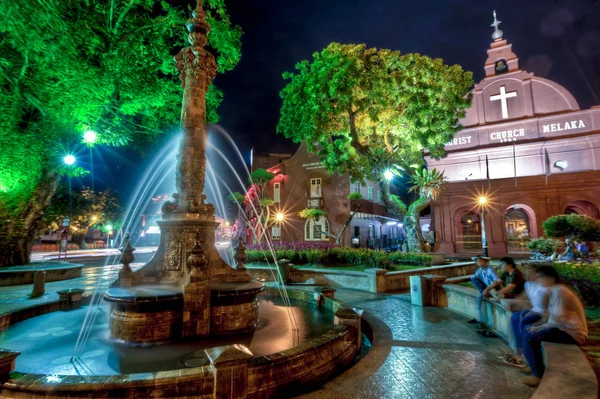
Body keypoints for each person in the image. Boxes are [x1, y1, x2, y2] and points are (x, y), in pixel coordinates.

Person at [521, 265, 588, 387]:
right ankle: (532, 365)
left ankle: (537, 375)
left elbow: (558, 317)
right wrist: (540, 325)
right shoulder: (554, 290)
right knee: (529, 331)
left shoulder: (559, 291)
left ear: (550, 278)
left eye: (540, 277)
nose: (538, 280)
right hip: (563, 328)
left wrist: (541, 327)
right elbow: (551, 315)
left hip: (573, 333)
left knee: (530, 336)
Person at [509, 265, 549, 354]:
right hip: (534, 310)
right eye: (526, 272)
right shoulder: (528, 284)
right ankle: (520, 346)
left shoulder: (543, 285)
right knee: (515, 317)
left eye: (530, 273)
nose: (526, 274)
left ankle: (525, 349)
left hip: (541, 313)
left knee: (524, 322)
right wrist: (514, 303)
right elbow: (523, 297)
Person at [470, 256, 502, 327]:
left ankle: (483, 322)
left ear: (484, 261)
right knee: (472, 277)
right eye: (477, 262)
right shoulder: (480, 270)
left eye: (480, 261)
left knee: (480, 300)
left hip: (493, 288)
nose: (479, 263)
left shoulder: (490, 269)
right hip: (486, 289)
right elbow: (474, 278)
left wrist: (488, 289)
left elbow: (497, 281)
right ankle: (482, 321)